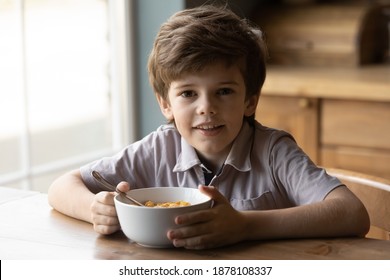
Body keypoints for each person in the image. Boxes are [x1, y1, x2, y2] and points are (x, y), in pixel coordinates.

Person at [48, 5, 369, 250]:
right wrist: (95, 210)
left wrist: (245, 226)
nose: (206, 107)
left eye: (224, 91)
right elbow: (62, 186)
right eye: (188, 93)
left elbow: (352, 213)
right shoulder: (158, 148)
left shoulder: (273, 151)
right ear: (166, 104)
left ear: (250, 100)